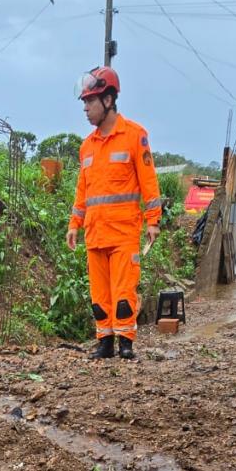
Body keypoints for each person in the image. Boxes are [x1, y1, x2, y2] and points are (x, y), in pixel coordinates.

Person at [67, 66, 162, 360]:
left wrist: (153, 220)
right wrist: (74, 224)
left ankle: (126, 342)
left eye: (89, 102)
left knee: (123, 293)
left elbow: (148, 181)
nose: (85, 108)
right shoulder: (87, 147)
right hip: (95, 233)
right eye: (84, 102)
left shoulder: (135, 136)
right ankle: (105, 341)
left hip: (123, 232)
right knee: (100, 296)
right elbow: (82, 191)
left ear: (108, 100)